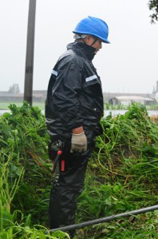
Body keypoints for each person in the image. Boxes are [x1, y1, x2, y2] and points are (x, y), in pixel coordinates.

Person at [45, 16, 110, 235]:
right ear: (88, 38)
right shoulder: (74, 61)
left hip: (75, 134)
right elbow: (64, 98)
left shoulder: (80, 60)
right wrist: (78, 132)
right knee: (67, 188)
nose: (100, 47)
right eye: (99, 41)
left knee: (68, 187)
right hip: (70, 137)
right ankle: (63, 232)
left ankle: (62, 230)